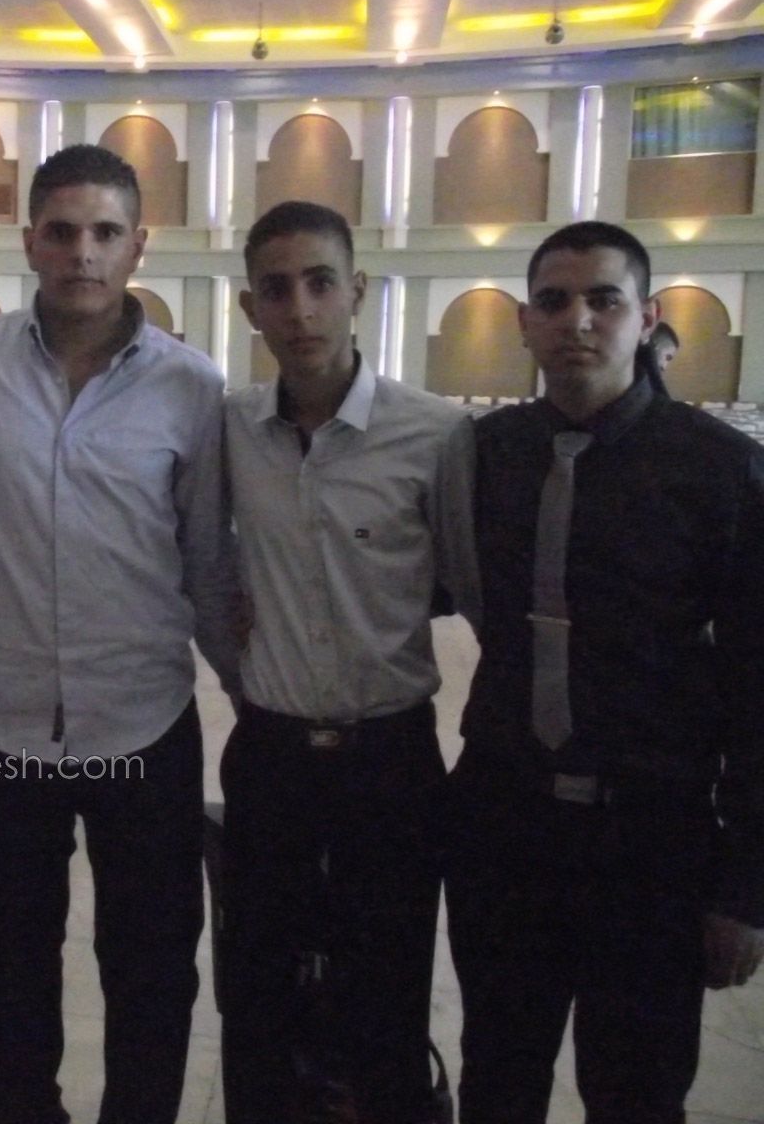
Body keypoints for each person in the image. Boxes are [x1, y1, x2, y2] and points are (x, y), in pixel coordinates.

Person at [0, 144, 237, 1124]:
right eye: (61, 232)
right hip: (5, 718)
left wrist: (254, 693)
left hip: (142, 720)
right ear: (28, 241)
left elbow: (205, 560)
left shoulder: (191, 389)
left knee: (152, 964)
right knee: (17, 956)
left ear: (139, 244)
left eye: (105, 232)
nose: (83, 253)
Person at [444, 220, 764, 1123]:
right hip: (505, 826)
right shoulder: (484, 456)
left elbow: (758, 685)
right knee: (496, 1077)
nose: (576, 320)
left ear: (647, 315)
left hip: (650, 842)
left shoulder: (722, 471)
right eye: (553, 301)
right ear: (524, 322)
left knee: (638, 1093)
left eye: (603, 299)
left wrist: (746, 886)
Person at [219, 200, 468, 1122]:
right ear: (250, 308)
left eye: (320, 282)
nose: (301, 309)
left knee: (389, 1000)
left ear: (357, 290)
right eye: (277, 289)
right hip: (271, 753)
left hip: (390, 758)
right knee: (254, 997)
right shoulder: (230, 429)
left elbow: (465, 582)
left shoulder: (435, 434)